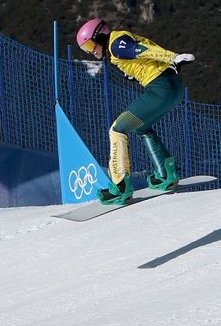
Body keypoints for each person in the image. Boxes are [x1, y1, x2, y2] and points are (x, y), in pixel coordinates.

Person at [76, 18, 195, 205]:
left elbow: (141, 50)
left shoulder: (115, 44)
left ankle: (120, 187)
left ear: (100, 36)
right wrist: (136, 71)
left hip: (160, 89)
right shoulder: (118, 42)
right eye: (86, 49)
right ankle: (166, 175)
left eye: (91, 45)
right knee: (142, 126)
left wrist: (172, 57)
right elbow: (141, 54)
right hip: (174, 88)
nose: (92, 51)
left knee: (117, 129)